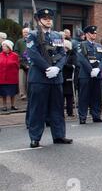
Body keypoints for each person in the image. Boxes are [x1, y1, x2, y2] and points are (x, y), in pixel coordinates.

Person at [26, 8, 72, 148]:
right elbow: (33, 54)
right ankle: (35, 137)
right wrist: (47, 68)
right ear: (38, 20)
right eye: (45, 18)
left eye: (50, 18)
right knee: (37, 109)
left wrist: (57, 68)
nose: (48, 20)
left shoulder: (57, 36)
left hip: (55, 77)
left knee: (57, 108)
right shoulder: (32, 35)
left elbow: (63, 55)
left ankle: (58, 135)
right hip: (40, 78)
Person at [75, 26, 102, 124]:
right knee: (84, 96)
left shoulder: (99, 46)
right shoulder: (81, 45)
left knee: (96, 96)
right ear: (87, 34)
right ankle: (83, 116)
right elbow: (81, 59)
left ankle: (96, 115)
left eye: (95, 33)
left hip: (97, 74)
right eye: (92, 33)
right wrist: (90, 70)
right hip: (85, 74)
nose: (94, 35)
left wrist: (98, 69)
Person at [0, 40, 19, 111]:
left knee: (12, 92)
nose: (3, 47)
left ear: (9, 47)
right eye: (3, 46)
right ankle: (4, 106)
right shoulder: (0, 55)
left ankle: (13, 105)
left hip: (12, 77)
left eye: (5, 46)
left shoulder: (15, 55)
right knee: (3, 93)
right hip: (2, 77)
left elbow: (17, 65)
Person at [14, 28, 30, 100]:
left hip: (31, 63)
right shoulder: (19, 41)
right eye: (24, 32)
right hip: (21, 63)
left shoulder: (32, 41)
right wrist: (20, 60)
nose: (25, 34)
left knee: (29, 80)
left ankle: (29, 94)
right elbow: (16, 52)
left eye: (26, 32)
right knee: (21, 80)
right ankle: (22, 95)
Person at [63, 39, 76, 117]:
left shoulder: (72, 55)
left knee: (69, 96)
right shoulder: (62, 54)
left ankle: (70, 112)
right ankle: (61, 112)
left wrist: (66, 65)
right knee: (61, 96)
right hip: (62, 77)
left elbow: (74, 66)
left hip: (69, 77)